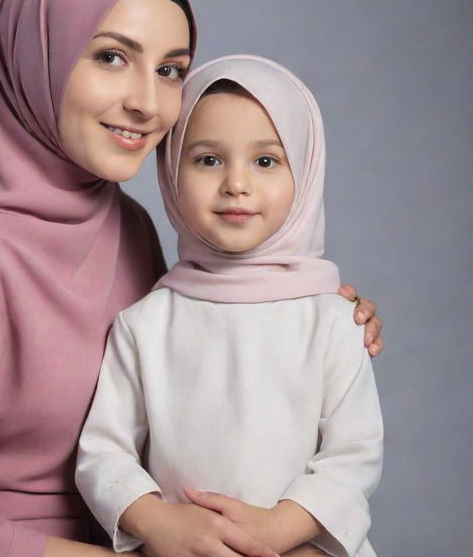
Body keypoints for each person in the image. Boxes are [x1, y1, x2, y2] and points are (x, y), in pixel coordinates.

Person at [0, 0, 383, 557]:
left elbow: (184, 386)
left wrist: (304, 311)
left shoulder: (133, 227)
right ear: (39, 58)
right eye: (112, 57)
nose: (146, 102)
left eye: (169, 69)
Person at [75, 56, 383, 557]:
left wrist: (277, 530)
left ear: (304, 172)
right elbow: (103, 451)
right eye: (208, 159)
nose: (236, 184)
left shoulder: (333, 320)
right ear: (172, 171)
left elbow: (354, 455)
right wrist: (157, 523)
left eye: (265, 161)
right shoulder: (146, 324)